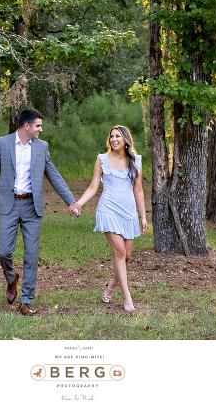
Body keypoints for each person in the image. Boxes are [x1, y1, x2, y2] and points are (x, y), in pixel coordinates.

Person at [0, 108, 81, 316]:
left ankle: (26, 300)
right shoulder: (3, 143)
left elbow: (54, 175)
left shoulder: (42, 147)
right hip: (8, 204)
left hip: (33, 207)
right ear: (27, 126)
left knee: (31, 256)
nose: (40, 130)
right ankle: (11, 278)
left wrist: (71, 201)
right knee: (4, 252)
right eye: (38, 126)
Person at [71, 125, 147, 313]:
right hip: (108, 210)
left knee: (127, 256)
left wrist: (143, 216)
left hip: (128, 212)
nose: (113, 139)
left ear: (126, 140)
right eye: (111, 136)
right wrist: (78, 204)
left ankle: (112, 285)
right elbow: (93, 187)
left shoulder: (136, 161)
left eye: (118, 136)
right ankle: (127, 297)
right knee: (120, 252)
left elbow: (138, 190)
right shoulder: (102, 160)